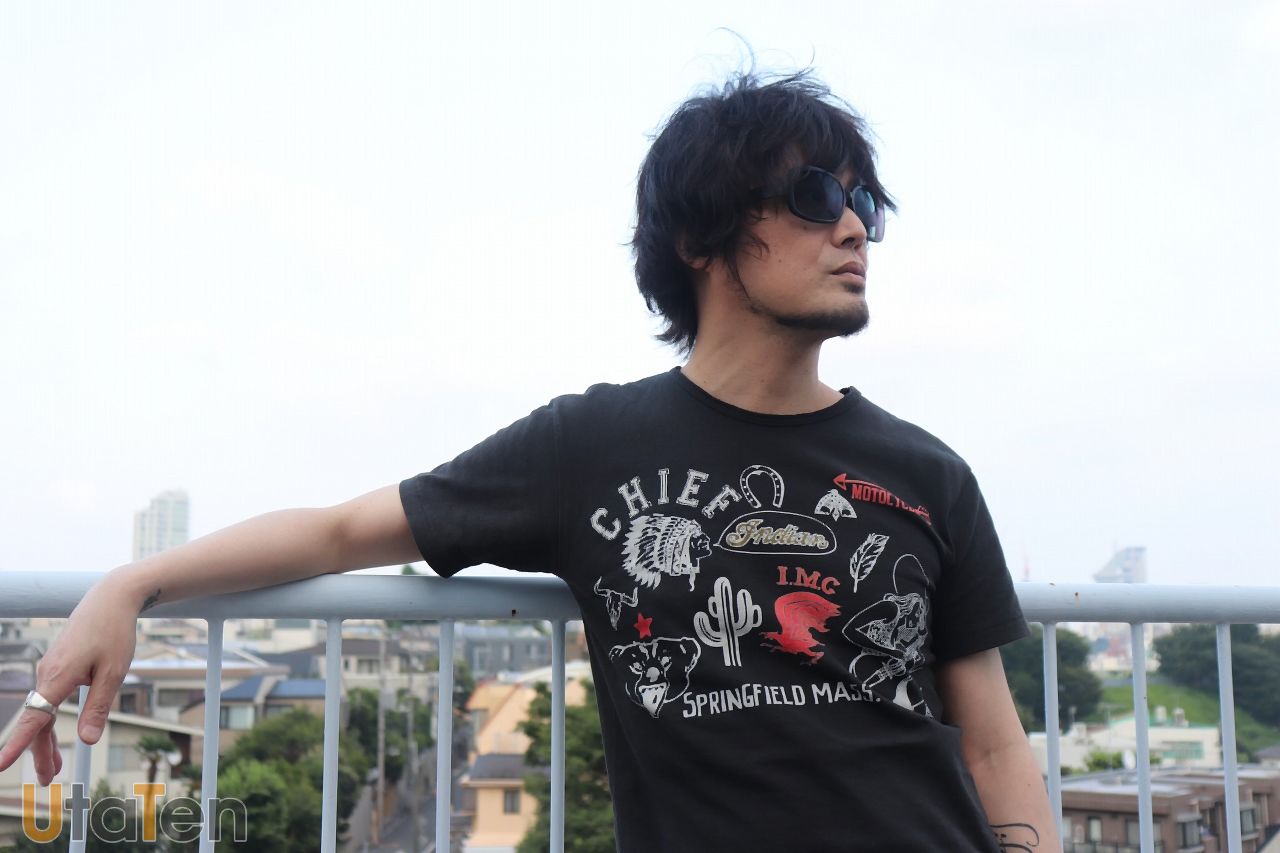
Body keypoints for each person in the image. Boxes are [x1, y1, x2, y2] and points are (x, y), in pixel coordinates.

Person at [0, 67, 1060, 852]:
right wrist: (132, 583)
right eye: (818, 196)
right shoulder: (590, 447)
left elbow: (994, 744)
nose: (854, 229)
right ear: (700, 238)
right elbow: (339, 530)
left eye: (864, 204)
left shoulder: (929, 474)